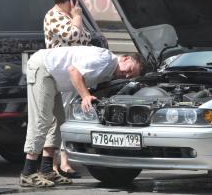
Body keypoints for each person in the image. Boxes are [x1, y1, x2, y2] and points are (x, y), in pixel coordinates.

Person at [20, 46, 143, 187]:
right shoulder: (106, 60)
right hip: (43, 67)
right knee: (41, 120)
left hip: (53, 78)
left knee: (58, 122)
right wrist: (85, 96)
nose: (127, 75)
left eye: (131, 76)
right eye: (130, 70)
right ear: (126, 58)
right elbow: (74, 71)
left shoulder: (109, 71)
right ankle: (27, 173)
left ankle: (46, 170)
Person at [44, 0, 91, 178]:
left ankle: (65, 162)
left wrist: (76, 21)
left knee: (68, 117)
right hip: (61, 75)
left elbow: (86, 38)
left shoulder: (70, 17)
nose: (78, 1)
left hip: (73, 74)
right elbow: (73, 36)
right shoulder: (54, 16)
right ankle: (52, 165)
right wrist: (78, 17)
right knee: (58, 119)